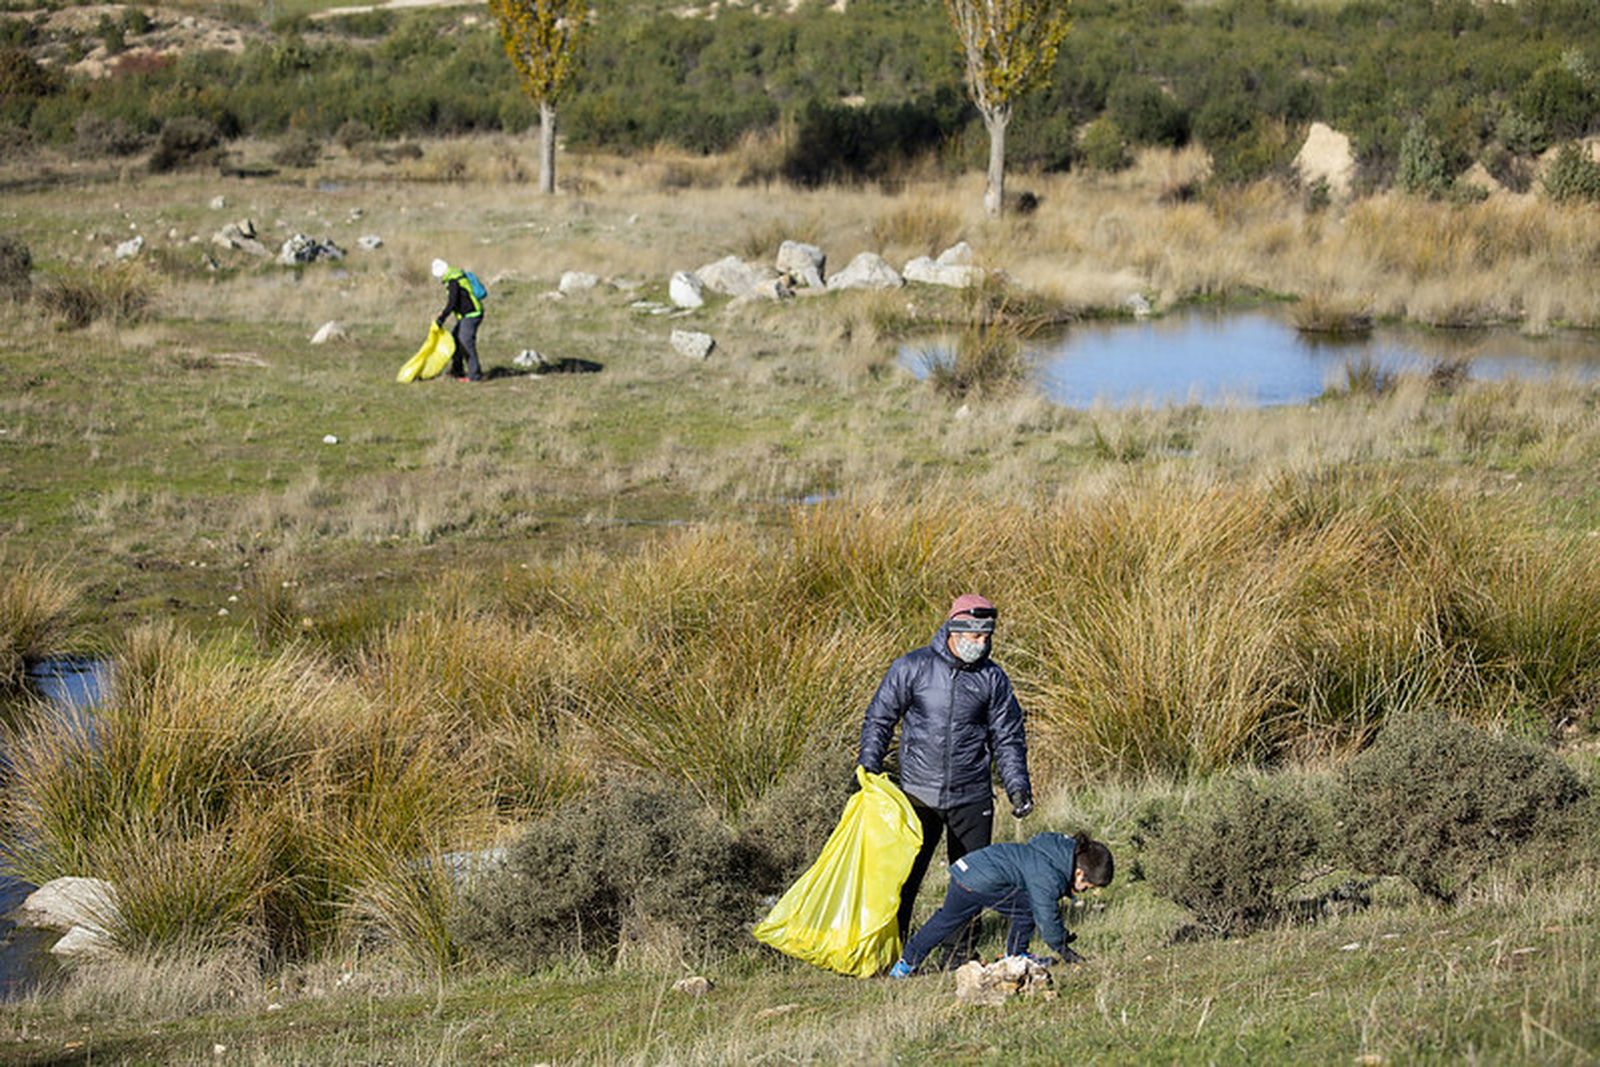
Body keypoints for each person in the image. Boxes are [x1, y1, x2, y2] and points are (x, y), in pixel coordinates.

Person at [856, 593, 1034, 960]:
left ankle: (959, 957)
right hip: (917, 796)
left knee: (973, 882)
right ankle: (891, 953)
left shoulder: (993, 678)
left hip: (972, 797)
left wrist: (1018, 787)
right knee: (902, 881)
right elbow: (880, 718)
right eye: (974, 637)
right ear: (954, 629)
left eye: (987, 638)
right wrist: (868, 768)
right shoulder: (912, 667)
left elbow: (1008, 736)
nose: (981, 644)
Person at [887, 831, 1113, 977]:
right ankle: (1016, 957)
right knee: (1028, 910)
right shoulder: (1049, 876)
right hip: (981, 881)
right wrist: (1063, 948)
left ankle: (905, 964)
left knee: (946, 919)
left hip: (966, 871)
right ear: (1080, 873)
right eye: (1088, 887)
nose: (1085, 892)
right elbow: (1046, 916)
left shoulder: (1052, 850)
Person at [432, 258, 484, 382]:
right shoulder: (455, 275)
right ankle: (457, 371)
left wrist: (441, 319)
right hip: (465, 316)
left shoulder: (453, 281)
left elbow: (452, 303)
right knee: (455, 339)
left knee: (465, 342)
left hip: (472, 314)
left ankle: (474, 375)